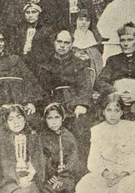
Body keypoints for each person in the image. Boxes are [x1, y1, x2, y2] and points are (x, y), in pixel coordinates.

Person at [37, 30, 94, 160]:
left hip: (74, 101)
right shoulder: (45, 63)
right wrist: (48, 105)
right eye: (59, 42)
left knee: (81, 124)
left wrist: (82, 104)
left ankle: (79, 166)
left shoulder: (79, 63)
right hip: (53, 101)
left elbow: (85, 86)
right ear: (54, 42)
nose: (62, 46)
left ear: (71, 45)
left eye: (66, 43)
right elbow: (41, 88)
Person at [75, 94, 135, 193]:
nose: (113, 114)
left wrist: (121, 175)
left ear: (121, 112)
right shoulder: (97, 130)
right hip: (106, 173)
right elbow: (92, 161)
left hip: (127, 173)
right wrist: (106, 174)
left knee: (121, 189)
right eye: (109, 110)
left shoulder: (130, 127)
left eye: (116, 110)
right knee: (83, 186)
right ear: (103, 112)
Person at [0, 105, 46, 193]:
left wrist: (30, 175)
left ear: (25, 119)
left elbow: (38, 160)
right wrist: (17, 180)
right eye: (11, 119)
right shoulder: (2, 139)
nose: (16, 122)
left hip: (30, 178)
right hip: (10, 180)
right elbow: (5, 165)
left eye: (19, 117)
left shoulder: (32, 136)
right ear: (6, 123)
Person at [40, 103, 81, 193]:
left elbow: (73, 160)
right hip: (49, 177)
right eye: (49, 118)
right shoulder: (42, 138)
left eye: (57, 117)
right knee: (47, 189)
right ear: (45, 120)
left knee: (66, 187)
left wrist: (62, 178)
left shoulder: (69, 137)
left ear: (63, 118)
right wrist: (50, 176)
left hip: (66, 176)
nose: (53, 121)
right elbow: (42, 160)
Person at [10, 3, 54, 71]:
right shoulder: (19, 29)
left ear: (39, 14)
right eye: (27, 12)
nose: (30, 15)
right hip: (21, 63)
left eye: (33, 12)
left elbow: (49, 51)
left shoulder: (46, 30)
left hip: (39, 64)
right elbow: (13, 47)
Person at [71, 9, 104, 77]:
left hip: (89, 69)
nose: (84, 22)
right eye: (81, 19)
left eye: (87, 20)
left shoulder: (94, 36)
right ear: (76, 21)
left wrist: (89, 56)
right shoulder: (71, 35)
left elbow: (97, 57)